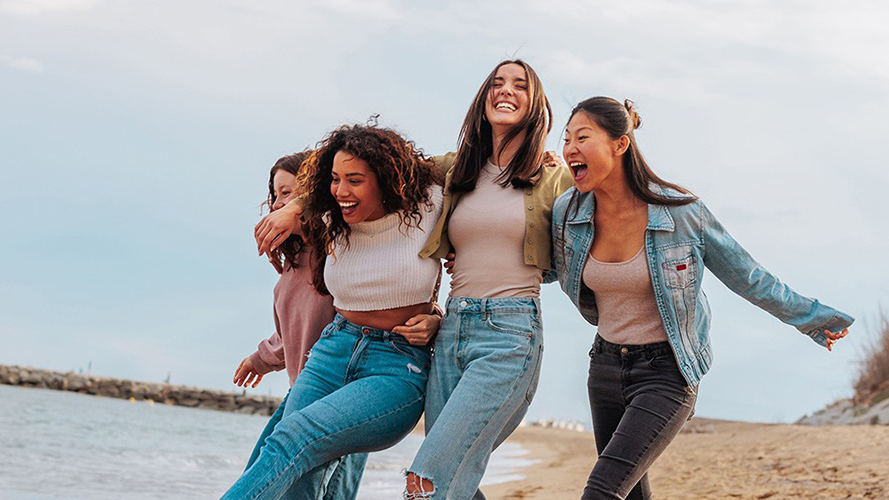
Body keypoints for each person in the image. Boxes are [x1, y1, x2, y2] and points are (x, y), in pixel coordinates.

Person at [551, 96, 853, 500]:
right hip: (604, 368)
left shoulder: (681, 213)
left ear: (620, 144)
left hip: (667, 372)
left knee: (601, 491)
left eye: (582, 137)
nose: (569, 147)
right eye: (566, 138)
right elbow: (541, 264)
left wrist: (812, 318)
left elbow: (749, 277)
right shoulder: (566, 213)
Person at [221, 124, 444, 500]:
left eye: (355, 180)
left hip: (395, 365)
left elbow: (480, 172)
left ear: (385, 178)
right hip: (332, 351)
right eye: (336, 179)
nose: (341, 191)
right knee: (289, 463)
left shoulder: (430, 203)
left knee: (295, 438)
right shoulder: (330, 218)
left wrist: (438, 317)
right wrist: (294, 206)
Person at [405, 59, 574, 499]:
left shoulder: (555, 178)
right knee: (456, 479)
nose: (506, 90)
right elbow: (378, 169)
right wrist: (293, 205)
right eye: (497, 83)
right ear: (483, 100)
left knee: (427, 480)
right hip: (451, 333)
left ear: (536, 105)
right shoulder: (456, 168)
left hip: (509, 334)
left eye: (520, 85)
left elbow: (586, 235)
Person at [232, 151, 367, 499]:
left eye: (288, 192)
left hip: (344, 395)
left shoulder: (342, 251)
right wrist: (260, 358)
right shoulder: (291, 264)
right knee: (260, 476)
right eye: (275, 193)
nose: (278, 202)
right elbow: (291, 331)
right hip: (302, 390)